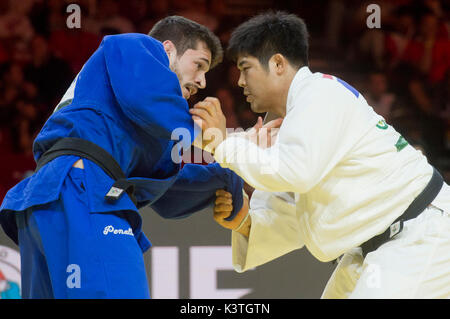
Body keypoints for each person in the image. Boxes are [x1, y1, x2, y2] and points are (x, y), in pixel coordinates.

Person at [190, 12, 450, 298]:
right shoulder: (296, 117)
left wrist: (222, 144)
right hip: (379, 246)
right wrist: (243, 219)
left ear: (277, 63)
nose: (240, 81)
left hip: (419, 235)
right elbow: (294, 211)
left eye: (245, 68)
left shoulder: (320, 94)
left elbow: (293, 174)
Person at [0, 16, 244, 299]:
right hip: (81, 190)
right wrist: (210, 137)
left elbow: (164, 187)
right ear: (166, 50)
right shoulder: (136, 46)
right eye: (199, 65)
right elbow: (147, 100)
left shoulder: (139, 122)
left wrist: (226, 179)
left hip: (49, 203)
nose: (202, 81)